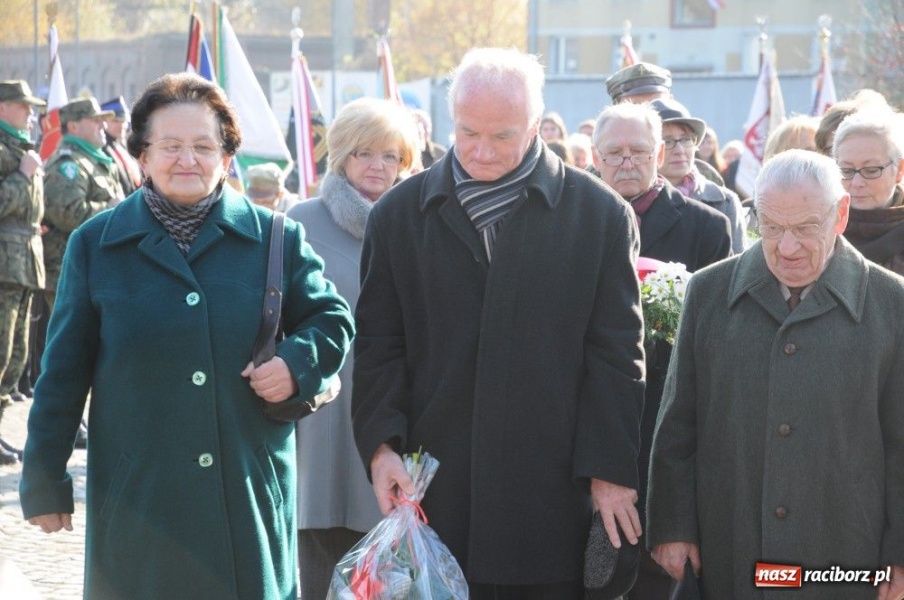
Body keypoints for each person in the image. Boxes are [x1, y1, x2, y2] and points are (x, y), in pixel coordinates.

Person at [19, 72, 355, 600]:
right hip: (139, 496)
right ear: (142, 156)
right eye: (170, 146)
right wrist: (44, 478)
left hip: (245, 490)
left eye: (204, 146)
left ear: (227, 156)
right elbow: (62, 372)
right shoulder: (97, 244)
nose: (187, 160)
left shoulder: (275, 237)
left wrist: (297, 363)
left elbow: (332, 318)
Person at [353, 47, 646, 598]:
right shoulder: (397, 215)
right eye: (468, 133)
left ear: (535, 125)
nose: (482, 152)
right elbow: (378, 344)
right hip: (435, 496)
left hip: (551, 497)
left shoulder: (600, 217)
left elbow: (617, 354)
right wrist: (380, 446)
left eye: (502, 136)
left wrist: (610, 471)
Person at [647, 149, 904, 600]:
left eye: (805, 228)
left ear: (840, 214)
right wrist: (672, 525)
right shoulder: (708, 293)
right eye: (772, 227)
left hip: (846, 557)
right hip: (731, 545)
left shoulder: (892, 304)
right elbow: (677, 423)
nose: (786, 247)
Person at [590, 101, 732, 600]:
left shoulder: (706, 227)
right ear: (594, 155)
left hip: (664, 415)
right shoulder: (572, 218)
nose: (627, 162)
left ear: (660, 154)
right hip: (585, 416)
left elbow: (716, 337)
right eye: (615, 152)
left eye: (639, 151)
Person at [286, 96, 419, 600]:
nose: (377, 166)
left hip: (395, 410)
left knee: (389, 562)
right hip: (322, 414)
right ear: (341, 155)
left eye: (390, 155)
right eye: (364, 153)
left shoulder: (418, 223)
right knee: (321, 556)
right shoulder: (301, 221)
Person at [0, 80, 45, 466]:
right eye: (23, 106)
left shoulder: (20, 149)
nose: (31, 113)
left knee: (15, 357)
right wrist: (21, 177)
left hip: (23, 264)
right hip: (3, 265)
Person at [43, 97, 124, 310]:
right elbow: (67, 214)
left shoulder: (95, 160)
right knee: (73, 339)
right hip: (71, 268)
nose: (103, 126)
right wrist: (111, 209)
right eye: (95, 121)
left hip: (97, 265)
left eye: (103, 121)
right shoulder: (68, 164)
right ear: (74, 126)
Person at [604, 61, 725, 187]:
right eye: (638, 108)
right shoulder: (598, 179)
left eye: (656, 105)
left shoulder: (707, 177)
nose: (649, 117)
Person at [650, 98, 745, 252]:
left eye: (686, 139)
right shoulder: (633, 199)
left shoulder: (724, 201)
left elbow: (738, 269)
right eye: (667, 141)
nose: (679, 149)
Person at [834, 108, 904, 274]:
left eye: (871, 170)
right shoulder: (815, 228)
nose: (857, 183)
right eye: (846, 170)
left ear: (899, 170)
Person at [101, 96, 142, 197]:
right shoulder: (102, 148)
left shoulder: (123, 145)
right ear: (104, 122)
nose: (121, 126)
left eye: (123, 121)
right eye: (115, 121)